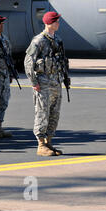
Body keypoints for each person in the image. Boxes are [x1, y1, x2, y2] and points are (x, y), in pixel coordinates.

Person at [24, 11, 67, 156]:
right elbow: (28, 62)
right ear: (50, 23)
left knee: (54, 114)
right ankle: (41, 144)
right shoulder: (38, 41)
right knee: (42, 113)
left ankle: (49, 141)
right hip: (42, 84)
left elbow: (62, 60)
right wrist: (34, 82)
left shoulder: (58, 40)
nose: (58, 23)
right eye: (56, 21)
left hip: (56, 83)